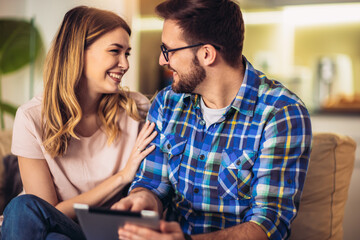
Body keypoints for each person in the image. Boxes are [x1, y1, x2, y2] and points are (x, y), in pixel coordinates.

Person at [113, 0, 312, 239]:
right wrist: (141, 200)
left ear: (206, 54)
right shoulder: (167, 102)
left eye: (168, 50)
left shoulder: (281, 113)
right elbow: (153, 182)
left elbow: (269, 224)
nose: (162, 61)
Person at [2, 6, 157, 240]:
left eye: (127, 53)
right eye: (115, 51)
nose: (124, 64)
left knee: (26, 212)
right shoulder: (32, 118)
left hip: (106, 232)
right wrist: (122, 177)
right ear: (78, 53)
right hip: (51, 230)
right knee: (28, 212)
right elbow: (47, 214)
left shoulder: (136, 109)